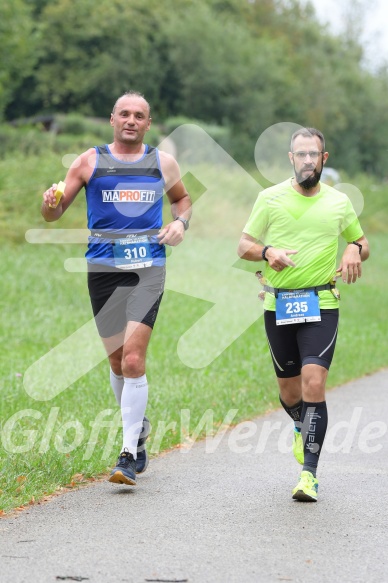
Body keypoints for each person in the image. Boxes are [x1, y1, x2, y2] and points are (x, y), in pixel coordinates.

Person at [42, 91, 191, 486]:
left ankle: (127, 454)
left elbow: (183, 201)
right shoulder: (89, 161)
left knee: (133, 361)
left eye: (139, 115)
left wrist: (180, 224)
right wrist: (49, 202)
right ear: (112, 119)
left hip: (148, 268)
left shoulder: (163, 162)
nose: (131, 120)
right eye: (124, 113)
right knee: (115, 361)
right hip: (103, 267)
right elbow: (54, 213)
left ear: (148, 122)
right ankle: (138, 429)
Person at [237, 127, 369, 502]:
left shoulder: (339, 202)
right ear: (291, 159)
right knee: (289, 389)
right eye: (301, 154)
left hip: (321, 302)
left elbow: (362, 242)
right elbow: (243, 244)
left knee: (314, 381)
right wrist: (266, 253)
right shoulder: (270, 198)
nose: (308, 160)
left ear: (324, 160)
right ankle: (300, 424)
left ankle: (308, 474)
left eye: (314, 154)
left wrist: (354, 251)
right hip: (278, 302)